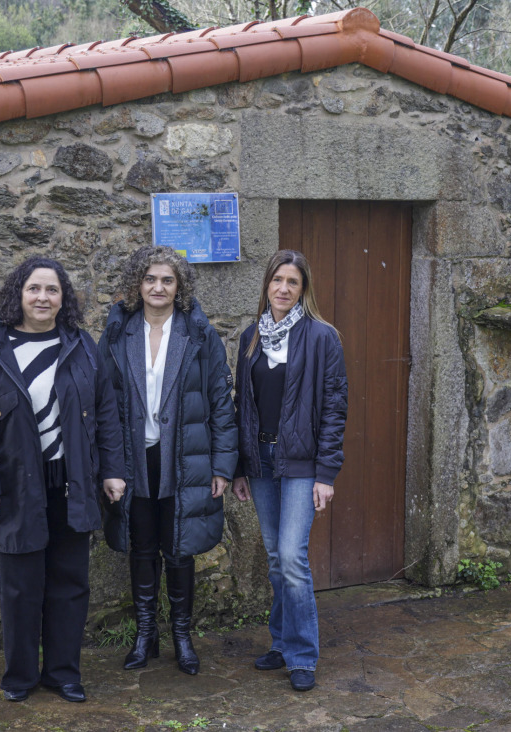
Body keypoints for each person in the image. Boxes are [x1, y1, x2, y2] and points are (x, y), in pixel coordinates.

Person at [0, 257, 126, 704]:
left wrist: (112, 470)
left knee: (70, 583)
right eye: (34, 289)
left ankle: (63, 673)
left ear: (62, 298)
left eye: (52, 290)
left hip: (73, 482)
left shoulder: (81, 345)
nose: (42, 298)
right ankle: (19, 676)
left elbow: (106, 411)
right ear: (19, 294)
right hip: (15, 487)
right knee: (20, 587)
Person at [98, 246, 238, 675]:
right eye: (150, 279)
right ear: (137, 285)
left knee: (180, 549)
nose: (158, 288)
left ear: (179, 288)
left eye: (167, 280)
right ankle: (145, 634)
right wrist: (109, 466)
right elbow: (103, 401)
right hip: (135, 458)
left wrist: (221, 466)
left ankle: (181, 635)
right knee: (142, 547)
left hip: (186, 456)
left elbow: (220, 402)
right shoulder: (119, 331)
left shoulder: (198, 333)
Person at [232, 249, 348, 693]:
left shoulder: (322, 337)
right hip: (261, 463)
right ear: (267, 285)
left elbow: (335, 408)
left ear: (303, 289)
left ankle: (301, 655)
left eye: (292, 282)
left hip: (301, 464)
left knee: (294, 559)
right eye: (277, 280)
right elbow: (243, 408)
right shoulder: (250, 338)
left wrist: (326, 473)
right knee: (277, 558)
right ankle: (281, 642)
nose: (283, 288)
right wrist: (241, 466)